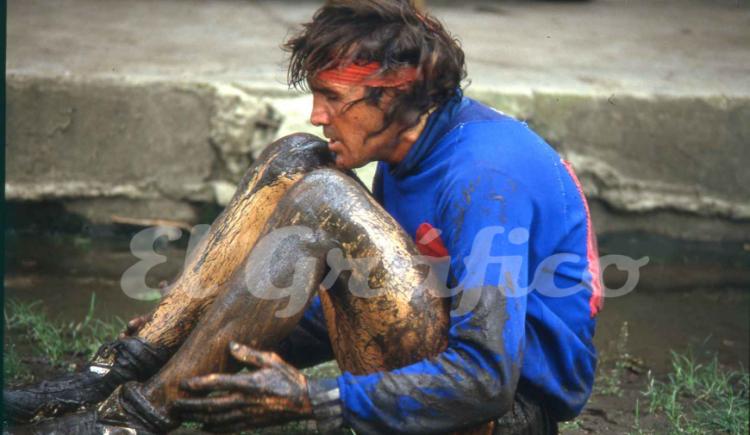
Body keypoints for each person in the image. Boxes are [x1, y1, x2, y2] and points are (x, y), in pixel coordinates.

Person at [4, 1, 601, 433]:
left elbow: (487, 380)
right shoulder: (405, 145)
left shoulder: (484, 178)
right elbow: (363, 300)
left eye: (334, 98)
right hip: (437, 361)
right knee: (296, 157)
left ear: (390, 97)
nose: (318, 113)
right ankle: (120, 370)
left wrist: (314, 401)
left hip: (506, 417)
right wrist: (205, 332)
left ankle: (133, 421)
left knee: (323, 200)